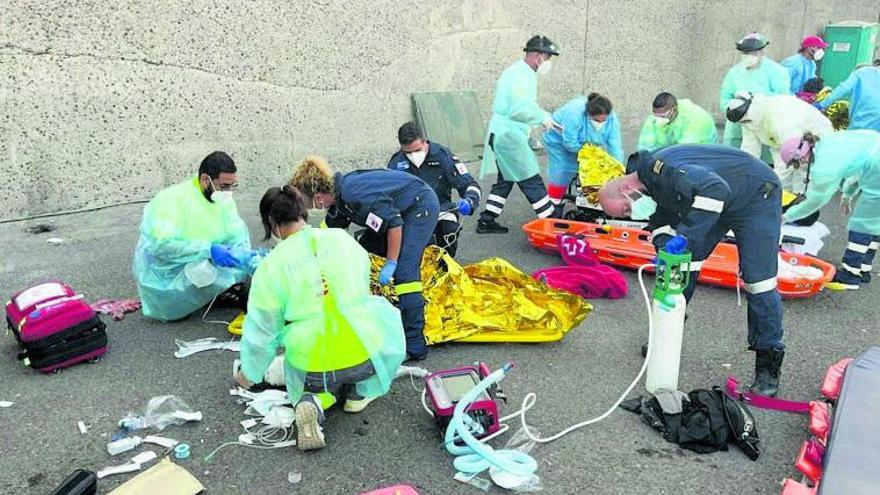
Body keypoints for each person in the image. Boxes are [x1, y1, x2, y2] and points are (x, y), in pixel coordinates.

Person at [598, 145, 786, 397]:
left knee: (758, 281)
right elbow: (661, 218)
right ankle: (668, 333)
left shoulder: (666, 170)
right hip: (719, 198)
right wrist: (663, 244)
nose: (631, 214)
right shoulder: (650, 182)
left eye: (626, 209)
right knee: (683, 263)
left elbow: (715, 188)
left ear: (626, 189)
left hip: (755, 194)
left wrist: (685, 236)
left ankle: (768, 366)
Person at [235, 186, 405, 451]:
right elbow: (361, 281)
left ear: (272, 223)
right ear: (303, 213)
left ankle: (314, 402)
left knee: (313, 378)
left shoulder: (272, 265)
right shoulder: (341, 239)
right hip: (366, 354)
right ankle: (358, 395)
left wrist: (250, 372)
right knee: (369, 332)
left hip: (314, 366)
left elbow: (262, 330)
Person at [288, 155, 438, 360]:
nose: (308, 208)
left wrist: (391, 262)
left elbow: (394, 223)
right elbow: (325, 234)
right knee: (363, 247)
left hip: (419, 207)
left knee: (405, 273)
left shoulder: (353, 194)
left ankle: (415, 346)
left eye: (307, 204)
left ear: (319, 197)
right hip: (399, 210)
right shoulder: (339, 198)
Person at [133, 151, 255, 321]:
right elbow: (160, 246)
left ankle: (216, 292)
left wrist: (244, 255)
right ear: (206, 180)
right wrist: (207, 250)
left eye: (231, 186)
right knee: (200, 273)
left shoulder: (221, 199)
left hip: (203, 256)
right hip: (169, 269)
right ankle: (183, 298)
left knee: (235, 266)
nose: (227, 192)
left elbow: (236, 232)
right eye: (224, 186)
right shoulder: (172, 201)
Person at [477, 35, 561, 233]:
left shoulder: (521, 72)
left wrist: (543, 116)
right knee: (530, 176)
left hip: (503, 133)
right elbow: (518, 110)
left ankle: (487, 219)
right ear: (537, 56)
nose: (548, 62)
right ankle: (550, 218)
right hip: (509, 136)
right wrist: (541, 118)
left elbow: (526, 106)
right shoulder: (521, 76)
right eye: (547, 57)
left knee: (506, 179)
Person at [780, 131, 880, 290]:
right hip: (875, 159)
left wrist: (786, 217)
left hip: (876, 169)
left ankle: (850, 275)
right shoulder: (828, 144)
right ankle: (864, 269)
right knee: (874, 223)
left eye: (796, 164)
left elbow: (815, 201)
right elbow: (857, 165)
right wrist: (847, 194)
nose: (799, 167)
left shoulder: (823, 166)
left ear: (803, 155)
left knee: (861, 225)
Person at [385, 122, 481, 256]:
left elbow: (469, 184)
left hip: (442, 209)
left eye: (417, 150)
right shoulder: (396, 162)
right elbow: (388, 195)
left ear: (424, 142)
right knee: (422, 245)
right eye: (408, 152)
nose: (414, 155)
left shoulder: (442, 156)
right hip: (411, 213)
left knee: (449, 232)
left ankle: (447, 265)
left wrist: (470, 201)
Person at [725, 92, 834, 194]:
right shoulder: (749, 119)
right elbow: (750, 151)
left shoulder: (778, 116)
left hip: (813, 139)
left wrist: (772, 182)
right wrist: (743, 177)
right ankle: (785, 205)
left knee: (801, 175)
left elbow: (793, 156)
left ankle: (800, 207)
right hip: (783, 144)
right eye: (742, 123)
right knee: (782, 183)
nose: (745, 125)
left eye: (746, 121)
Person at [543, 93, 624, 204]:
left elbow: (615, 146)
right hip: (558, 141)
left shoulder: (611, 120)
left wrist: (618, 170)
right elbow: (569, 142)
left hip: (585, 144)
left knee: (589, 169)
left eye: (603, 121)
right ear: (588, 115)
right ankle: (554, 203)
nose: (600, 124)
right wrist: (590, 152)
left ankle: (585, 197)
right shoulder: (574, 113)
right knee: (561, 172)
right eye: (597, 120)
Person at [719, 32, 791, 148]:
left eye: (751, 52)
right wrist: (733, 110)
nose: (747, 56)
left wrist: (755, 103)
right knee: (733, 156)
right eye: (745, 52)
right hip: (737, 124)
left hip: (765, 125)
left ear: (762, 52)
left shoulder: (777, 72)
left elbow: (782, 99)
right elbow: (725, 96)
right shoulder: (734, 72)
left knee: (760, 159)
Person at [636, 92, 717, 152]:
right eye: (656, 115)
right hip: (674, 153)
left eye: (662, 116)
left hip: (700, 155)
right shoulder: (655, 117)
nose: (658, 119)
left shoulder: (697, 119)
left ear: (674, 110)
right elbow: (645, 146)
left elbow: (686, 152)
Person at [815, 65, 880, 131]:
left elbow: (843, 88)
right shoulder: (863, 73)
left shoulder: (863, 73)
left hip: (861, 123)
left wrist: (821, 104)